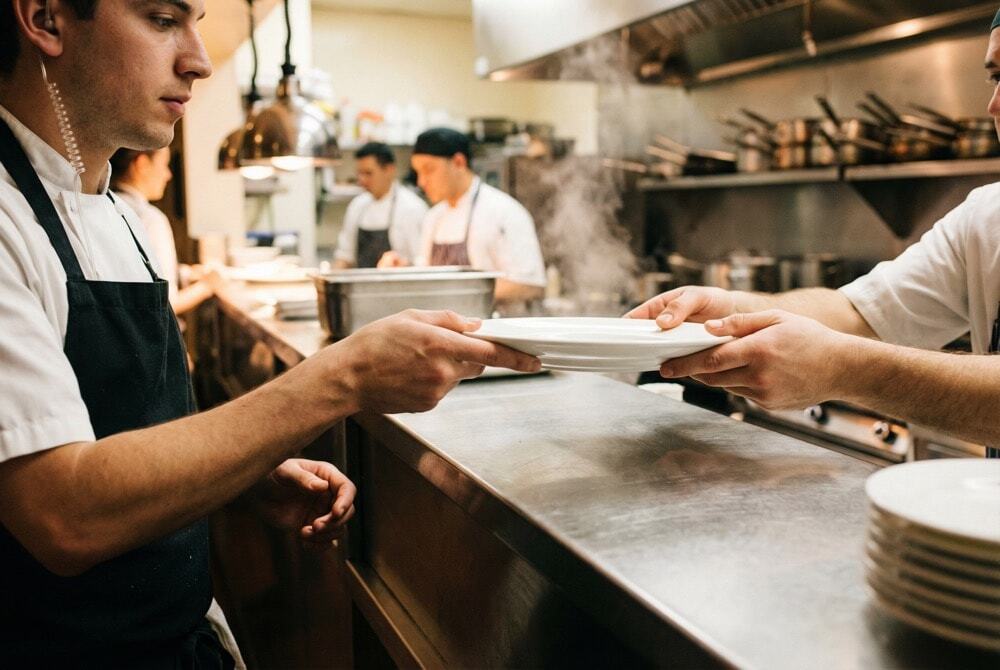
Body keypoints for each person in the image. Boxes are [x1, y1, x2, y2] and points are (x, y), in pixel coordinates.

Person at [0, 0, 540, 665]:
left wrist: (241, 473)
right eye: (163, 19)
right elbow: (60, 512)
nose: (196, 60)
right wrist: (341, 375)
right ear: (47, 19)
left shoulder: (116, 213)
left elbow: (110, 421)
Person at [627, 11, 1000, 457]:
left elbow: (850, 347)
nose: (993, 105)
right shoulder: (986, 218)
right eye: (995, 76)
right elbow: (860, 313)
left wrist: (847, 369)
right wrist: (731, 312)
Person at [380, 127, 546, 305]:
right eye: (418, 172)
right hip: (443, 329)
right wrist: (404, 270)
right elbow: (427, 275)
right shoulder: (433, 217)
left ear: (459, 162)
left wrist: (456, 291)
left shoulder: (504, 211)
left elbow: (531, 286)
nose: (421, 181)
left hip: (492, 328)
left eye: (429, 170)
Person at [111, 146, 218, 314]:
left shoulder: (104, 208)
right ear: (142, 164)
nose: (168, 175)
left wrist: (183, 273)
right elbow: (166, 303)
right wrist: (209, 285)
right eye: (164, 165)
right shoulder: (150, 218)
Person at [333, 141, 427, 269]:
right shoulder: (357, 206)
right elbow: (345, 255)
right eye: (359, 173)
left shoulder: (412, 208)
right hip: (360, 286)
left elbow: (422, 263)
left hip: (397, 287)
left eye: (368, 173)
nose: (362, 180)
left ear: (389, 170)